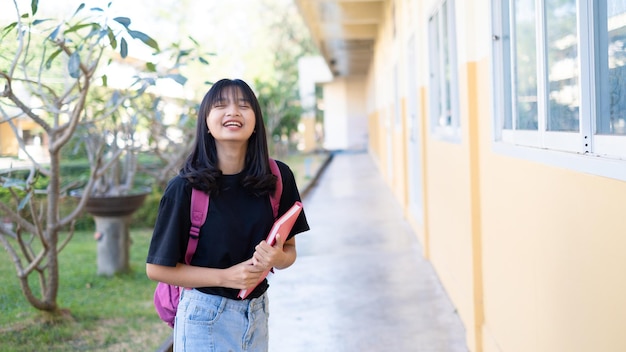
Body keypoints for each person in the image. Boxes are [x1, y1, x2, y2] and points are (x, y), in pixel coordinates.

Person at [146, 78, 310, 352]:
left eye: (244, 106)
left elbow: (290, 251)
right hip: (203, 317)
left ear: (256, 121)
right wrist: (226, 277)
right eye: (221, 105)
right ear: (206, 122)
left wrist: (278, 258)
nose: (233, 112)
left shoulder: (278, 178)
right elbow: (157, 269)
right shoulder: (185, 188)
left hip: (257, 314)